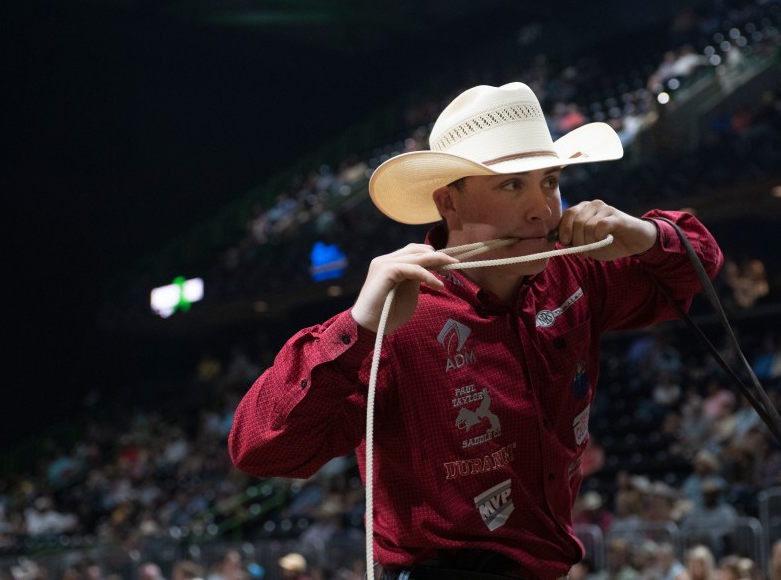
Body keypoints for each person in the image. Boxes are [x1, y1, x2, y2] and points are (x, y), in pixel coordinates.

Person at [229, 82, 723, 580]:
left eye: (549, 182)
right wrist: (356, 326)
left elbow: (698, 269)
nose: (542, 209)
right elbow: (261, 447)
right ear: (450, 204)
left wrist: (645, 234)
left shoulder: (575, 273)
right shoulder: (401, 317)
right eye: (512, 185)